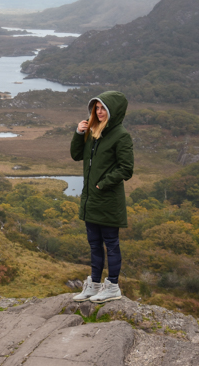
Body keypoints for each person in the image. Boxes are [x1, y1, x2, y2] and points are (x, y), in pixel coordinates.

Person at [70, 91, 134, 303]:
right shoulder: (93, 133)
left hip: (107, 200)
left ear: (113, 111)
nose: (98, 112)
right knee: (94, 244)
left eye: (103, 108)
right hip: (91, 201)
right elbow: (76, 155)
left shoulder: (121, 136)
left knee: (111, 244)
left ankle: (113, 286)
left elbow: (126, 169)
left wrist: (102, 184)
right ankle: (94, 285)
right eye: (96, 108)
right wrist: (79, 134)